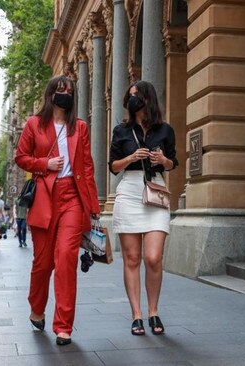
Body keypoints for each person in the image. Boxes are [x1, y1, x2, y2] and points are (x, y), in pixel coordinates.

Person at [15, 75, 100, 346]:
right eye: (61, 89)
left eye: (70, 90)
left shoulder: (81, 128)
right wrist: (45, 163)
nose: (65, 93)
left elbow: (87, 167)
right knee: (43, 264)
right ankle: (36, 308)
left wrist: (93, 207)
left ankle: (64, 326)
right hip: (44, 197)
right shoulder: (33, 125)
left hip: (72, 198)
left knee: (65, 258)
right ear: (50, 93)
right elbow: (21, 157)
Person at [109, 80, 178, 337]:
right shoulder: (121, 130)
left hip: (156, 191)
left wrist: (163, 160)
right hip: (129, 191)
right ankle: (137, 315)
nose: (132, 99)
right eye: (130, 96)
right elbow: (113, 166)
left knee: (153, 257)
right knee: (132, 258)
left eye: (136, 94)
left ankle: (154, 311)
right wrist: (130, 158)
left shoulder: (165, 130)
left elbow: (174, 163)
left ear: (147, 98)